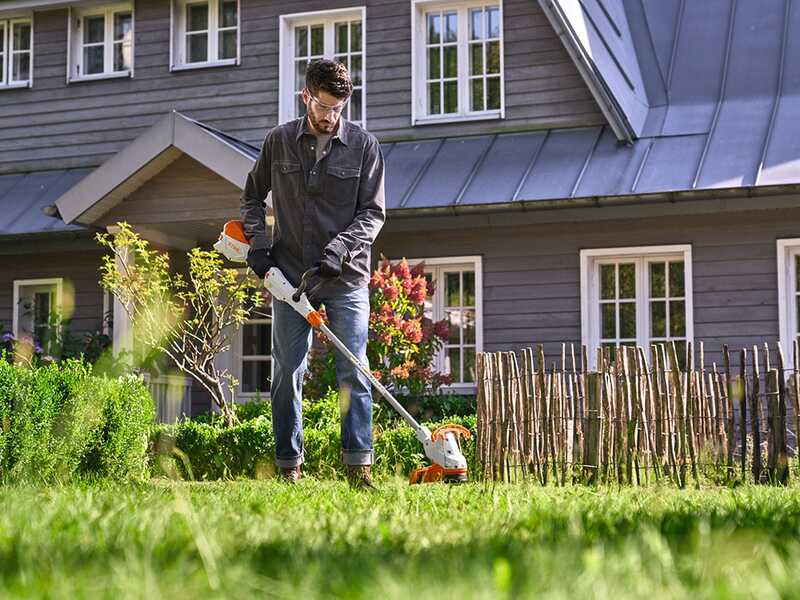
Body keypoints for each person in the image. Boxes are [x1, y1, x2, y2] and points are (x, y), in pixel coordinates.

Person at [240, 59, 386, 489]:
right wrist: (258, 245)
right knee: (287, 371)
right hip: (290, 278)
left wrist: (340, 248)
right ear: (306, 96)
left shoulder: (364, 147)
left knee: (353, 371)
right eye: (323, 106)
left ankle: (358, 469)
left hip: (346, 279)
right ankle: (289, 466)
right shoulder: (279, 142)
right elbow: (251, 198)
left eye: (337, 109)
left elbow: (373, 214)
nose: (329, 116)